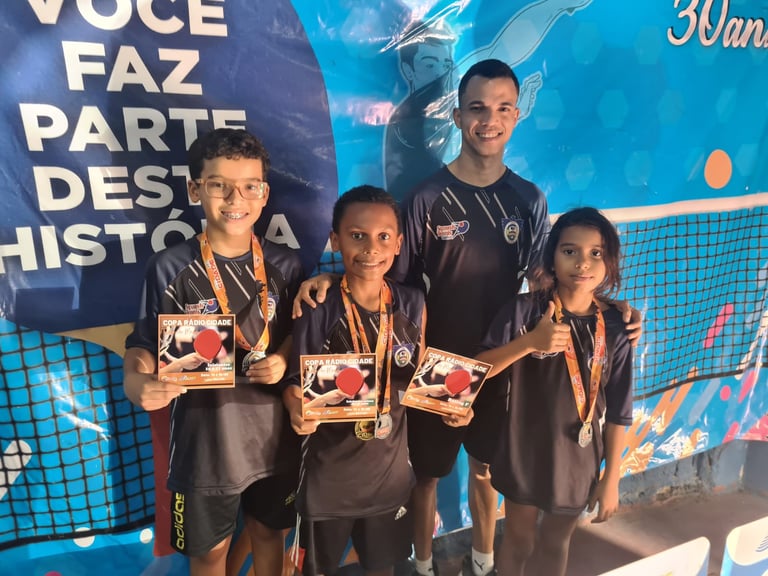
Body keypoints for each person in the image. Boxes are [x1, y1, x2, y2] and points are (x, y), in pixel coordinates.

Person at [295, 59, 641, 576]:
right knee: (426, 476)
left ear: (517, 116)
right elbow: (391, 283)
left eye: (503, 108)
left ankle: (483, 563)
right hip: (433, 364)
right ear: (457, 117)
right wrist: (333, 281)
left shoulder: (529, 200)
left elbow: (550, 279)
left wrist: (610, 307)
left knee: (484, 471)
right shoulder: (426, 198)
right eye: (477, 108)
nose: (489, 120)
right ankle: (424, 565)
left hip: (504, 365)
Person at [122, 128, 303, 576]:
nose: (235, 198)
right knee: (209, 555)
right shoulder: (169, 267)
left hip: (275, 440)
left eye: (250, 186)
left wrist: (283, 357)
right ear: (194, 189)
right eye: (219, 185)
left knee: (270, 536)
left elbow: (300, 334)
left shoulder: (287, 264)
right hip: (204, 446)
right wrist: (136, 379)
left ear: (264, 194)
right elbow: (144, 344)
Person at [282, 185, 471, 576]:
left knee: (383, 568)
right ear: (336, 240)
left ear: (398, 244)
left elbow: (419, 374)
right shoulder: (317, 306)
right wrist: (294, 404)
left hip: (390, 479)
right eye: (357, 235)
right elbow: (294, 381)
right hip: (328, 480)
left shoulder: (413, 302)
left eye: (383, 237)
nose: (371, 248)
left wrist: (451, 409)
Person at [475, 207, 633, 576]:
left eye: (596, 253)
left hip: (578, 461)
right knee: (518, 540)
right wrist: (529, 343)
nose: (583, 263)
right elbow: (478, 370)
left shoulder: (617, 327)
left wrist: (612, 477)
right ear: (552, 257)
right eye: (570, 251)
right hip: (523, 453)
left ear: (610, 261)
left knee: (555, 543)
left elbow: (620, 412)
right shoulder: (524, 312)